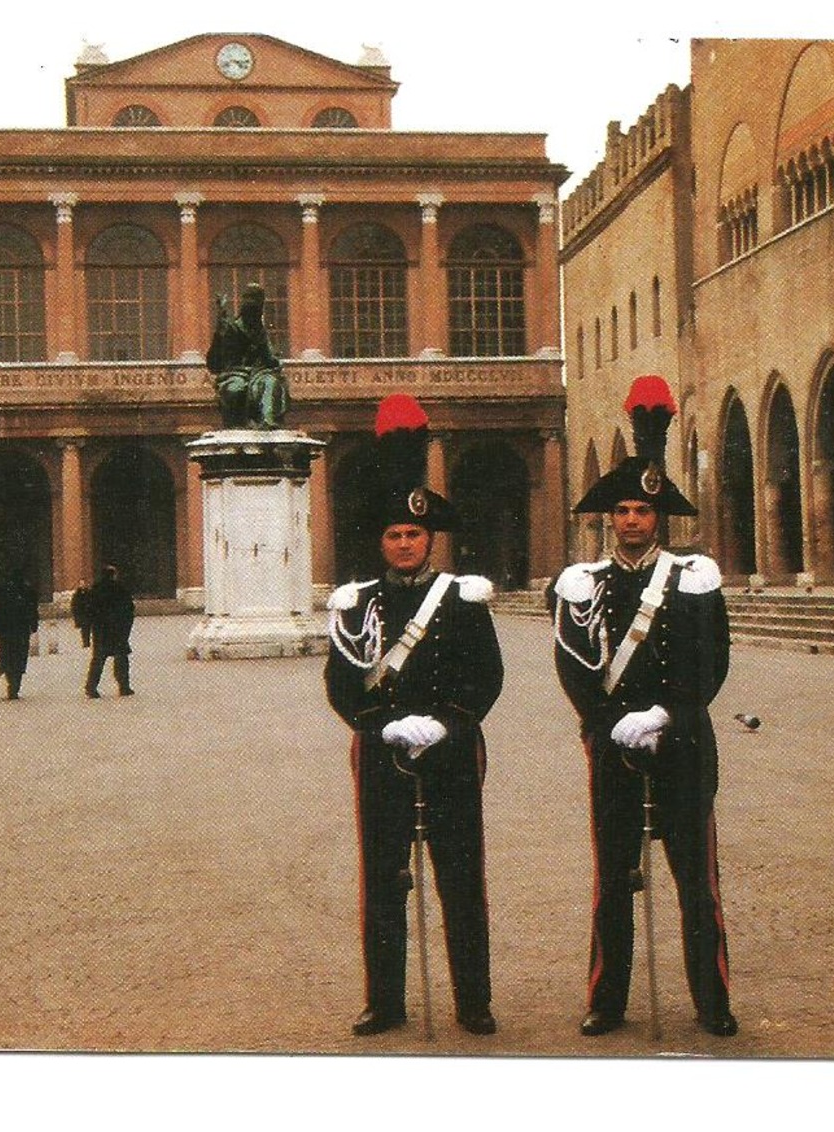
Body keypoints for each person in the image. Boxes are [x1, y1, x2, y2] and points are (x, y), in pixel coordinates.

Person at [551, 375, 737, 1040]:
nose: (633, 521)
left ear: (660, 519)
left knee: (697, 882)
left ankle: (712, 1000)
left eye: (644, 512)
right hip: (612, 749)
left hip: (683, 742)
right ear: (611, 517)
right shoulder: (581, 585)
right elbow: (574, 671)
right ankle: (606, 999)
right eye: (624, 511)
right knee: (610, 884)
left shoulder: (693, 581)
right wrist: (611, 723)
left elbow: (710, 663)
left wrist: (665, 714)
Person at [324, 393, 504, 1038]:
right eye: (395, 535)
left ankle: (474, 1000)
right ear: (382, 541)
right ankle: (385, 1001)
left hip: (452, 748)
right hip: (381, 749)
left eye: (416, 534)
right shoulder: (354, 604)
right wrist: (380, 723)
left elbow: (487, 676)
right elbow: (341, 682)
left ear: (431, 539)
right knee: (382, 879)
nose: (405, 544)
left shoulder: (462, 600)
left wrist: (446, 722)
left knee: (460, 875)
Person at [206, 281, 290, 428]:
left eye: (257, 301)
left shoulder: (260, 332)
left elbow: (268, 357)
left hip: (258, 374)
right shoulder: (231, 327)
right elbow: (215, 359)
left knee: (271, 383)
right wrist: (221, 329)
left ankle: (268, 423)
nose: (253, 305)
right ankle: (235, 426)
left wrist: (274, 361)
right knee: (235, 389)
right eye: (249, 299)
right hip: (235, 373)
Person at [84, 564, 135, 697]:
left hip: (100, 630)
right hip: (117, 629)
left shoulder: (95, 590)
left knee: (98, 659)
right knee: (121, 659)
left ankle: (91, 687)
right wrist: (126, 628)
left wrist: (88, 632)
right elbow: (129, 610)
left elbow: (88, 611)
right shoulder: (120, 589)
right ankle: (124, 686)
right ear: (113, 575)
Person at [0, 570, 40, 700]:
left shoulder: (1, 591)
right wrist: (33, 625)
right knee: (19, 656)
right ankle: (15, 685)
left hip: (5, 630)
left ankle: (10, 682)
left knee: (7, 655)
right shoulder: (28, 591)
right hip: (21, 630)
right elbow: (33, 610)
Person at [70, 578, 92, 648]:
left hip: (89, 614)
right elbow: (74, 605)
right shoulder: (76, 595)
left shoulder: (90, 593)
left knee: (90, 629)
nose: (83, 585)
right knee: (84, 629)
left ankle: (91, 642)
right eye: (81, 584)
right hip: (82, 615)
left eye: (84, 583)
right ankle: (86, 643)